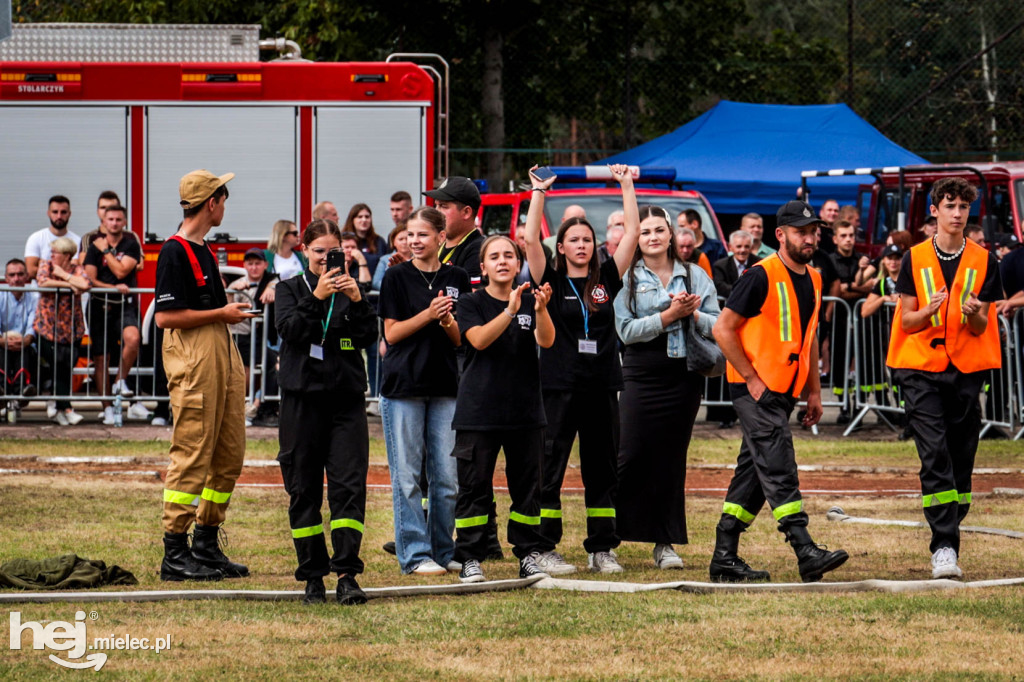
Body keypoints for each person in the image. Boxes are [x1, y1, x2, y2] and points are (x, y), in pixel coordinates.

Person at [710, 199, 849, 584]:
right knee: (777, 459)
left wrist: (814, 393)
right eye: (801, 231)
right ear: (780, 235)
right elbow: (722, 330)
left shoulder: (817, 278)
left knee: (753, 473)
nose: (810, 237)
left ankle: (724, 556)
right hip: (755, 388)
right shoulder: (759, 275)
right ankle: (804, 547)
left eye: (813, 231)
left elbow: (808, 338)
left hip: (785, 391)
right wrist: (752, 379)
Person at [523, 164, 639, 575]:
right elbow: (528, 239)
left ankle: (602, 548)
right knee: (550, 466)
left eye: (587, 239)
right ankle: (543, 548)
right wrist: (539, 192)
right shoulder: (549, 277)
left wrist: (626, 185)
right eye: (573, 239)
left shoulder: (607, 276)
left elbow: (633, 235)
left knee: (602, 469)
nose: (582, 245)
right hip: (558, 386)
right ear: (561, 245)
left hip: (602, 386)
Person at [887, 177, 1002, 579]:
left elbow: (981, 323)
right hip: (919, 367)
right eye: (949, 206)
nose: (957, 213)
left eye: (963, 207)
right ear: (933, 211)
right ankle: (945, 546)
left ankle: (951, 521)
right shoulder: (914, 258)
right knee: (934, 453)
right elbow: (907, 320)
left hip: (966, 370)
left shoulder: (986, 260)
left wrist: (973, 313)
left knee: (961, 457)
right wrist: (931, 309)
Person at [155, 169, 253, 583]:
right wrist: (223, 313)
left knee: (229, 451)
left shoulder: (204, 248)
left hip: (218, 348)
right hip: (194, 352)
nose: (224, 207)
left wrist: (224, 317)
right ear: (211, 202)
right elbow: (165, 317)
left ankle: (206, 544)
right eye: (223, 199)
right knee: (193, 449)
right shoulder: (174, 251)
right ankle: (175, 553)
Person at [275, 218, 379, 604]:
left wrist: (356, 300)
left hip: (346, 401)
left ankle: (348, 573)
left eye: (333, 252)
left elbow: (369, 335)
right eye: (318, 252)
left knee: (348, 489)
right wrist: (317, 296)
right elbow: (290, 331)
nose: (325, 259)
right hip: (302, 402)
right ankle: (313, 577)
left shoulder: (355, 290)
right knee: (303, 489)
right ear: (304, 251)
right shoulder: (288, 289)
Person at [614, 205, 720, 570]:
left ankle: (665, 543)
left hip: (683, 374)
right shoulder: (626, 277)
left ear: (672, 235)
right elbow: (625, 331)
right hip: (640, 372)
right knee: (629, 455)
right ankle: (607, 539)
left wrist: (692, 314)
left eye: (660, 230)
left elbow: (718, 324)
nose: (653, 237)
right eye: (645, 232)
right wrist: (666, 316)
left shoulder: (695, 275)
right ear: (637, 238)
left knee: (670, 461)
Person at [452, 235, 555, 583]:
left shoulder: (530, 300)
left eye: (509, 255)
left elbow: (547, 340)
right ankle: (469, 557)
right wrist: (510, 310)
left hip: (525, 411)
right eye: (494, 256)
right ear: (482, 267)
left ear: (518, 263)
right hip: (478, 411)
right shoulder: (470, 302)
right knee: (474, 488)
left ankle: (528, 554)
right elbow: (478, 340)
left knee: (527, 488)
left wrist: (539, 311)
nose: (502, 261)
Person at [378, 206, 470, 576]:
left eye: (422, 235)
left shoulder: (458, 276)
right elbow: (391, 333)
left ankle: (443, 552)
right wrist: (429, 315)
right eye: (410, 235)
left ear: (441, 238)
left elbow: (461, 337)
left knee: (447, 479)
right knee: (408, 476)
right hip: (404, 387)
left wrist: (447, 321)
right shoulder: (396, 276)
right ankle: (415, 555)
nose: (415, 241)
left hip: (447, 386)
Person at [83, 205, 145, 424]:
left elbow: (121, 271)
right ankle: (107, 407)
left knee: (133, 338)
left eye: (119, 219)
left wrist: (107, 251)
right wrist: (111, 288)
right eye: (110, 219)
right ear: (104, 221)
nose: (115, 223)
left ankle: (120, 380)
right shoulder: (93, 245)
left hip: (124, 304)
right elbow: (90, 279)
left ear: (125, 222)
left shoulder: (130, 244)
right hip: (99, 305)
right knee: (100, 358)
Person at [34, 237, 90, 425]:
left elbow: (85, 284)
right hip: (48, 328)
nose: (52, 255)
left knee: (67, 365)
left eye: (55, 253)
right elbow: (42, 282)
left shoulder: (76, 269)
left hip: (72, 329)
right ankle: (66, 407)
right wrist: (70, 285)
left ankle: (58, 406)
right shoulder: (46, 266)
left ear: (66, 255)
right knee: (57, 364)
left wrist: (64, 276)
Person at [227, 248, 280, 427]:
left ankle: (261, 408)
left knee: (274, 364)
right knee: (248, 370)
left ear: (265, 265)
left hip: (265, 337)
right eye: (250, 264)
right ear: (244, 266)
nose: (254, 267)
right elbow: (223, 308)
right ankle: (246, 409)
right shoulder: (236, 284)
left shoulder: (272, 280)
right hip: (239, 336)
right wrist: (231, 291)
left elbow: (278, 282)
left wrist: (272, 288)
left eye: (258, 263)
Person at [859, 244, 904, 412]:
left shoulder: (909, 281)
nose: (893, 262)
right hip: (887, 336)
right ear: (884, 261)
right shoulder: (882, 284)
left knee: (904, 376)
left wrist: (900, 300)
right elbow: (864, 311)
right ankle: (898, 412)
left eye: (897, 258)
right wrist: (883, 299)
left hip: (907, 336)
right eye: (889, 258)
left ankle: (906, 413)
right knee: (893, 374)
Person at [423, 176, 484, 288]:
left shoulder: (479, 250)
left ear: (466, 212)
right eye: (436, 205)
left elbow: (472, 299)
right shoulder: (438, 245)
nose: (436, 212)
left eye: (443, 206)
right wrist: (408, 272)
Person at [0, 259, 39, 398]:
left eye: (20, 274)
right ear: (6, 278)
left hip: (25, 344)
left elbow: (32, 326)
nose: (16, 279)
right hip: (2, 342)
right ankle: (1, 388)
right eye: (12, 275)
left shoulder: (34, 298)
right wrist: (2, 341)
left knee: (26, 350)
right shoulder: (0, 296)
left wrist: (26, 340)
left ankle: (22, 390)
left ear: (27, 277)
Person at [25, 195, 81, 280]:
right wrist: (65, 272)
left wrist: (44, 266)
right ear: (48, 213)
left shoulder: (78, 241)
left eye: (63, 212)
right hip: (39, 292)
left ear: (69, 214)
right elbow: (31, 270)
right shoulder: (35, 238)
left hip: (69, 292)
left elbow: (78, 269)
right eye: (55, 212)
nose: (59, 216)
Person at [712, 230, 760, 299]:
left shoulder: (759, 264)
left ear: (751, 248)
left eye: (746, 246)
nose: (742, 250)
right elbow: (720, 287)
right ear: (730, 247)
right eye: (739, 246)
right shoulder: (720, 265)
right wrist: (744, 291)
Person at [78, 190, 122, 266]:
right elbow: (83, 264)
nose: (106, 211)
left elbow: (139, 265)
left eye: (111, 207)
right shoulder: (88, 238)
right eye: (103, 207)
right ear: (98, 212)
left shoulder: (131, 236)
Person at [343, 203, 387, 276]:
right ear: (352, 220)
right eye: (359, 217)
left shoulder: (379, 241)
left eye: (367, 217)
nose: (364, 220)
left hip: (373, 284)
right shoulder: (344, 240)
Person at [372, 223, 412, 292]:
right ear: (393, 242)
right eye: (400, 239)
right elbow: (376, 283)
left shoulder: (419, 259)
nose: (404, 242)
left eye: (407, 239)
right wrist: (393, 286)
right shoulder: (384, 259)